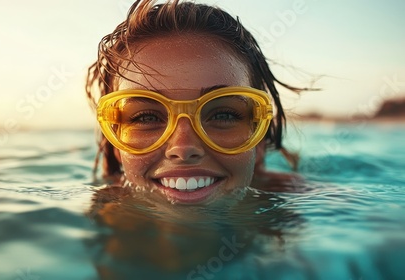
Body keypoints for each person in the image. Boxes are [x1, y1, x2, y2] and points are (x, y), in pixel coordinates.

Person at [86, 0, 306, 205]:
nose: (183, 148)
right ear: (117, 147)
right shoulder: (98, 215)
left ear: (258, 143)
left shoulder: (297, 202)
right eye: (146, 117)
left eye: (223, 115)